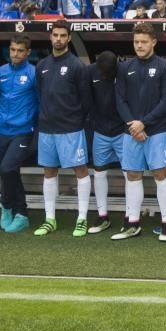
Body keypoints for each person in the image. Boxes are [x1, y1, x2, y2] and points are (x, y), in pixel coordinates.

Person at [114, 21, 166, 241]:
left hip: (156, 131)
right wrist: (133, 124)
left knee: (160, 174)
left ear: (153, 42)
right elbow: (120, 99)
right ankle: (133, 222)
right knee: (132, 175)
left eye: (143, 42)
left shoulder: (165, 67)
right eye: (136, 42)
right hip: (131, 131)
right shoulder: (125, 67)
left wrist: (145, 123)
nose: (139, 46)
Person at [33, 20, 93, 238]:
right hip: (47, 128)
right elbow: (41, 94)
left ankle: (82, 218)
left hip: (71, 128)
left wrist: (75, 119)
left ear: (69, 38)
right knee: (49, 172)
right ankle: (50, 219)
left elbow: (86, 101)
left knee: (80, 170)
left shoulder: (77, 66)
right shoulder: (42, 66)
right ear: (51, 37)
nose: (58, 39)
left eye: (62, 36)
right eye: (55, 35)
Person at [0, 34, 38, 234]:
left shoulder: (33, 73)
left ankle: (6, 206)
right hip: (1, 130)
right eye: (12, 50)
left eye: (20, 50)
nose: (16, 54)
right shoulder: (1, 72)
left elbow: (40, 102)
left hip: (23, 131)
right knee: (10, 172)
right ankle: (22, 214)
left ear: (28, 52)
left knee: (7, 169)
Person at [86, 51, 124, 236]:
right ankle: (103, 216)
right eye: (103, 73)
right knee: (99, 171)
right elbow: (87, 100)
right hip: (100, 130)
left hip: (123, 131)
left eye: (109, 73)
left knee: (131, 173)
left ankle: (131, 216)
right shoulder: (90, 72)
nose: (106, 76)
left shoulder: (123, 71)